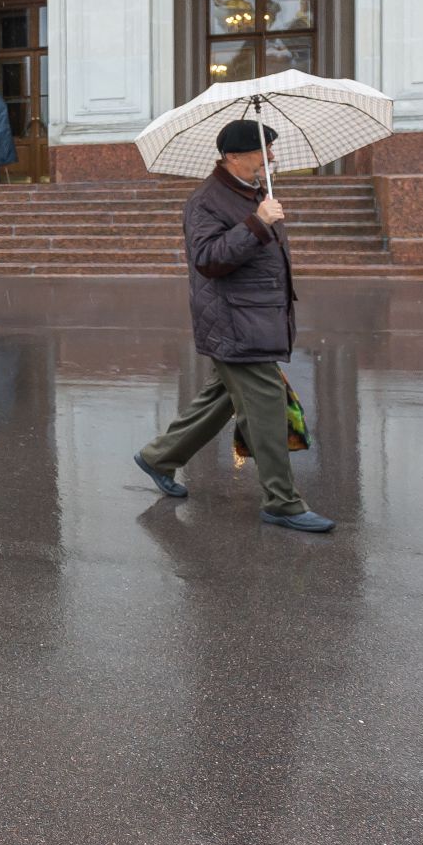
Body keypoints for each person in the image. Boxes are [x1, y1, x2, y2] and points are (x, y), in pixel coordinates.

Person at [132, 118, 336, 533]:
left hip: (253, 317)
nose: (273, 158)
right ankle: (282, 501)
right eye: (265, 151)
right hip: (235, 323)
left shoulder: (252, 193)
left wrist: (261, 217)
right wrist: (258, 222)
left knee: (221, 398)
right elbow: (208, 260)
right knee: (267, 406)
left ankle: (159, 457)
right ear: (233, 157)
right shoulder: (206, 201)